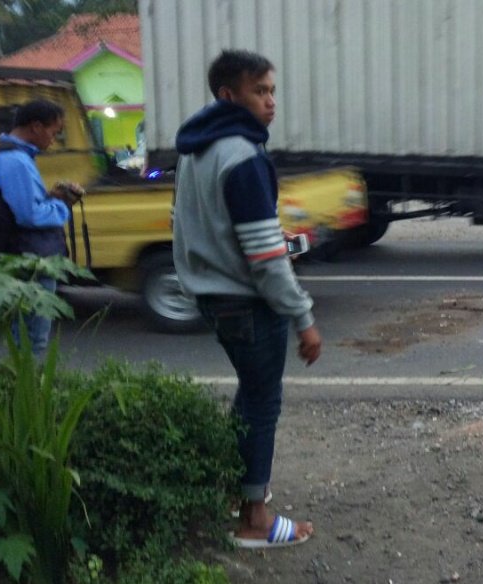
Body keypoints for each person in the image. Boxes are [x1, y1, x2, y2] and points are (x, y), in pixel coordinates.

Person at [171, 49, 320, 548]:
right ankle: (254, 520)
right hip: (248, 302)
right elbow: (265, 257)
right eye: (261, 91)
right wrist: (303, 317)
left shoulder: (196, 150)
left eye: (273, 90)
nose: (271, 101)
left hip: (215, 298)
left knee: (249, 396)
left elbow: (192, 229)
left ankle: (239, 492)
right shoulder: (242, 157)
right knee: (261, 402)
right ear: (228, 96)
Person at [0, 99, 82, 356]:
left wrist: (50, 197)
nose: (54, 140)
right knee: (31, 342)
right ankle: (25, 394)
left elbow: (21, 206)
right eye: (54, 132)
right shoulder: (16, 161)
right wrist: (63, 204)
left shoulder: (8, 155)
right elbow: (30, 216)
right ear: (36, 127)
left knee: (24, 338)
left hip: (19, 257)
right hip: (30, 261)